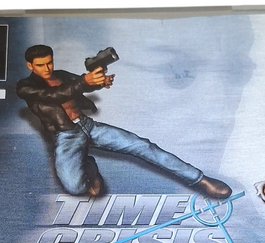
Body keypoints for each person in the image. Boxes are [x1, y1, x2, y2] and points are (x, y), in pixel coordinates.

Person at [16, 45, 232, 199]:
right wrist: (83, 81)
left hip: (87, 125)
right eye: (40, 65)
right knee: (75, 187)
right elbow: (53, 96)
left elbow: (83, 85)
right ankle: (88, 165)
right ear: (30, 65)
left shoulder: (61, 75)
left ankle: (200, 180)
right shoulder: (26, 87)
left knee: (142, 146)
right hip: (66, 135)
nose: (47, 68)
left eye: (49, 62)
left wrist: (100, 81)